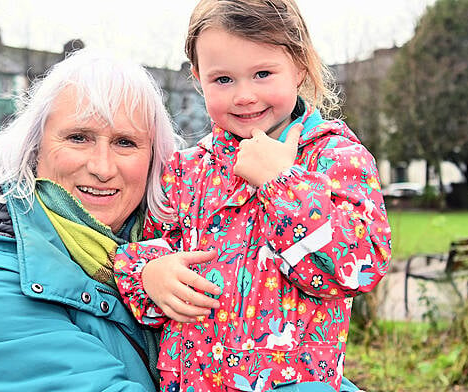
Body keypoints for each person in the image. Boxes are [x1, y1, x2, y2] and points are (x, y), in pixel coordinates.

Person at [114, 1, 391, 391]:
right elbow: (150, 246)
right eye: (222, 80)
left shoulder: (334, 158)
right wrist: (149, 274)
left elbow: (355, 268)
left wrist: (281, 182)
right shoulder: (186, 169)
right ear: (198, 78)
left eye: (262, 73)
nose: (244, 95)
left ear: (299, 66)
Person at [0, 49, 181, 391]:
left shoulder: (172, 250)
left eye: (125, 142)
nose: (102, 167)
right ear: (34, 146)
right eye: (78, 137)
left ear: (154, 160)